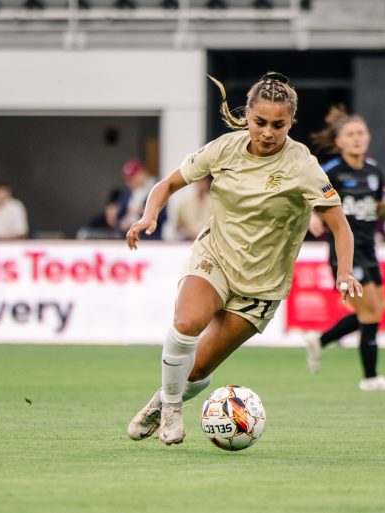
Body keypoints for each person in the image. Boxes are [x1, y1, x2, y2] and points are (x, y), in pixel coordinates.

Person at [125, 72, 362, 446]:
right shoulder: (224, 149)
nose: (268, 132)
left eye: (278, 125)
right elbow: (167, 184)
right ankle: (172, 407)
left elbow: (340, 226)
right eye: (260, 122)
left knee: (199, 367)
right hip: (214, 256)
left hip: (262, 286)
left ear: (291, 122)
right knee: (187, 321)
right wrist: (149, 215)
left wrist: (345, 271)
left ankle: (160, 401)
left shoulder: (302, 165)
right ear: (247, 116)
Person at [304, 105, 385, 391]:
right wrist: (312, 216)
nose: (357, 138)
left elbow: (377, 214)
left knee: (373, 311)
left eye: (361, 133)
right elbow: (307, 195)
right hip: (345, 253)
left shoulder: (374, 171)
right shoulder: (331, 171)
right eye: (350, 134)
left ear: (368, 137)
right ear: (339, 142)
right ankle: (370, 378)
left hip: (370, 250)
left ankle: (320, 341)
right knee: (371, 313)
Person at [116, 159, 167, 240]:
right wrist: (122, 223)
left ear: (143, 173)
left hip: (150, 238)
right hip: (130, 236)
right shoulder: (127, 194)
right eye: (129, 179)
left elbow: (163, 216)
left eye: (134, 177)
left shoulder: (156, 189)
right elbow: (119, 216)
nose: (132, 181)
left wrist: (144, 213)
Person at [175, 175, 213, 240]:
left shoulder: (216, 204)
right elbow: (178, 227)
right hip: (189, 243)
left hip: (209, 243)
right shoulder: (184, 204)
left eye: (203, 180)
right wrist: (187, 232)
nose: (200, 183)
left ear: (208, 182)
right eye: (198, 180)